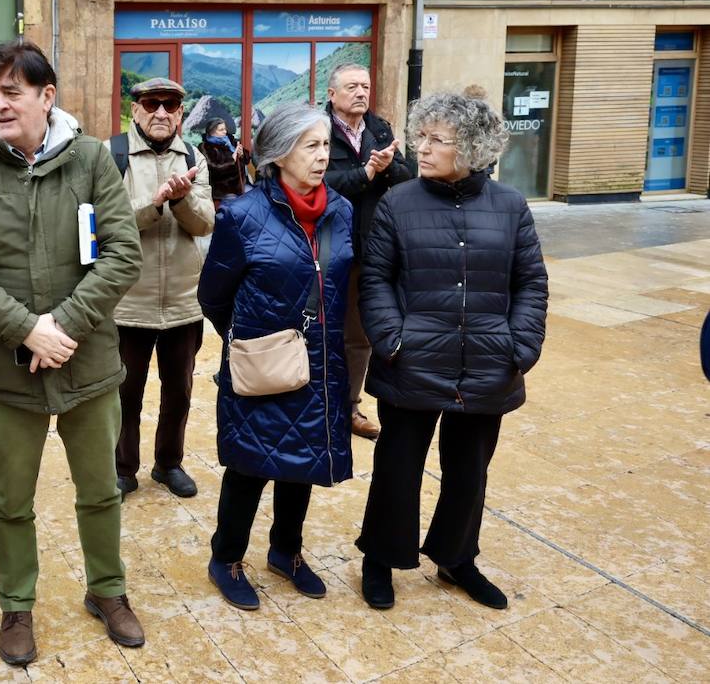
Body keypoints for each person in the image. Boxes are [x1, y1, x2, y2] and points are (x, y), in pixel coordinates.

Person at [0, 41, 144, 667]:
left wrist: (65, 327)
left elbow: (122, 252)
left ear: (45, 97)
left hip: (89, 363)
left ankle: (107, 591)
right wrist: (27, 330)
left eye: (12, 92)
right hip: (9, 369)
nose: (0, 104)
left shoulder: (90, 161)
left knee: (100, 488)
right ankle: (16, 605)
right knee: (10, 497)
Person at [355, 92, 548, 612]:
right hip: (411, 361)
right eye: (422, 135)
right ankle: (381, 557)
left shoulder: (510, 206)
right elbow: (375, 280)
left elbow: (530, 281)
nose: (422, 147)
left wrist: (521, 346)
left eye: (437, 139)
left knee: (469, 471)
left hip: (490, 362)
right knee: (398, 465)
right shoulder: (399, 202)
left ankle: (457, 558)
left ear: (474, 146)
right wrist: (392, 339)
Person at [197, 103, 354, 610]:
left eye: (326, 145)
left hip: (321, 362)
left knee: (303, 458)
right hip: (261, 363)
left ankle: (286, 551)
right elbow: (213, 296)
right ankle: (226, 558)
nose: (322, 156)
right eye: (311, 145)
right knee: (249, 465)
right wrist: (250, 341)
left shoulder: (340, 211)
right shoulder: (242, 216)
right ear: (279, 153)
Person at [109, 77, 214, 500]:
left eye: (170, 105)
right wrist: (154, 204)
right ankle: (122, 468)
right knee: (124, 392)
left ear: (180, 114)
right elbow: (105, 221)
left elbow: (205, 221)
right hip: (126, 301)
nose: (161, 113)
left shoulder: (193, 157)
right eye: (151, 104)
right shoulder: (111, 154)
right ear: (134, 110)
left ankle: (169, 463)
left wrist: (181, 199)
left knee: (180, 392)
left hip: (183, 302)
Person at [322, 63, 415, 441]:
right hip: (327, 248)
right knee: (319, 330)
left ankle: (349, 407)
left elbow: (409, 177)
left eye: (365, 86)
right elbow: (317, 183)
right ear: (332, 94)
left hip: (371, 250)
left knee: (358, 337)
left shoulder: (380, 130)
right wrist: (365, 175)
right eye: (351, 87)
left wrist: (389, 168)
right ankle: (319, 404)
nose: (361, 92)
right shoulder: (318, 130)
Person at [199, 118, 246, 206]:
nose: (225, 132)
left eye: (225, 129)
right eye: (221, 130)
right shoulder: (205, 147)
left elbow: (246, 159)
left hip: (241, 184)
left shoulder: (230, 141)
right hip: (222, 189)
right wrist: (232, 159)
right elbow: (213, 168)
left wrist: (242, 154)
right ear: (211, 132)